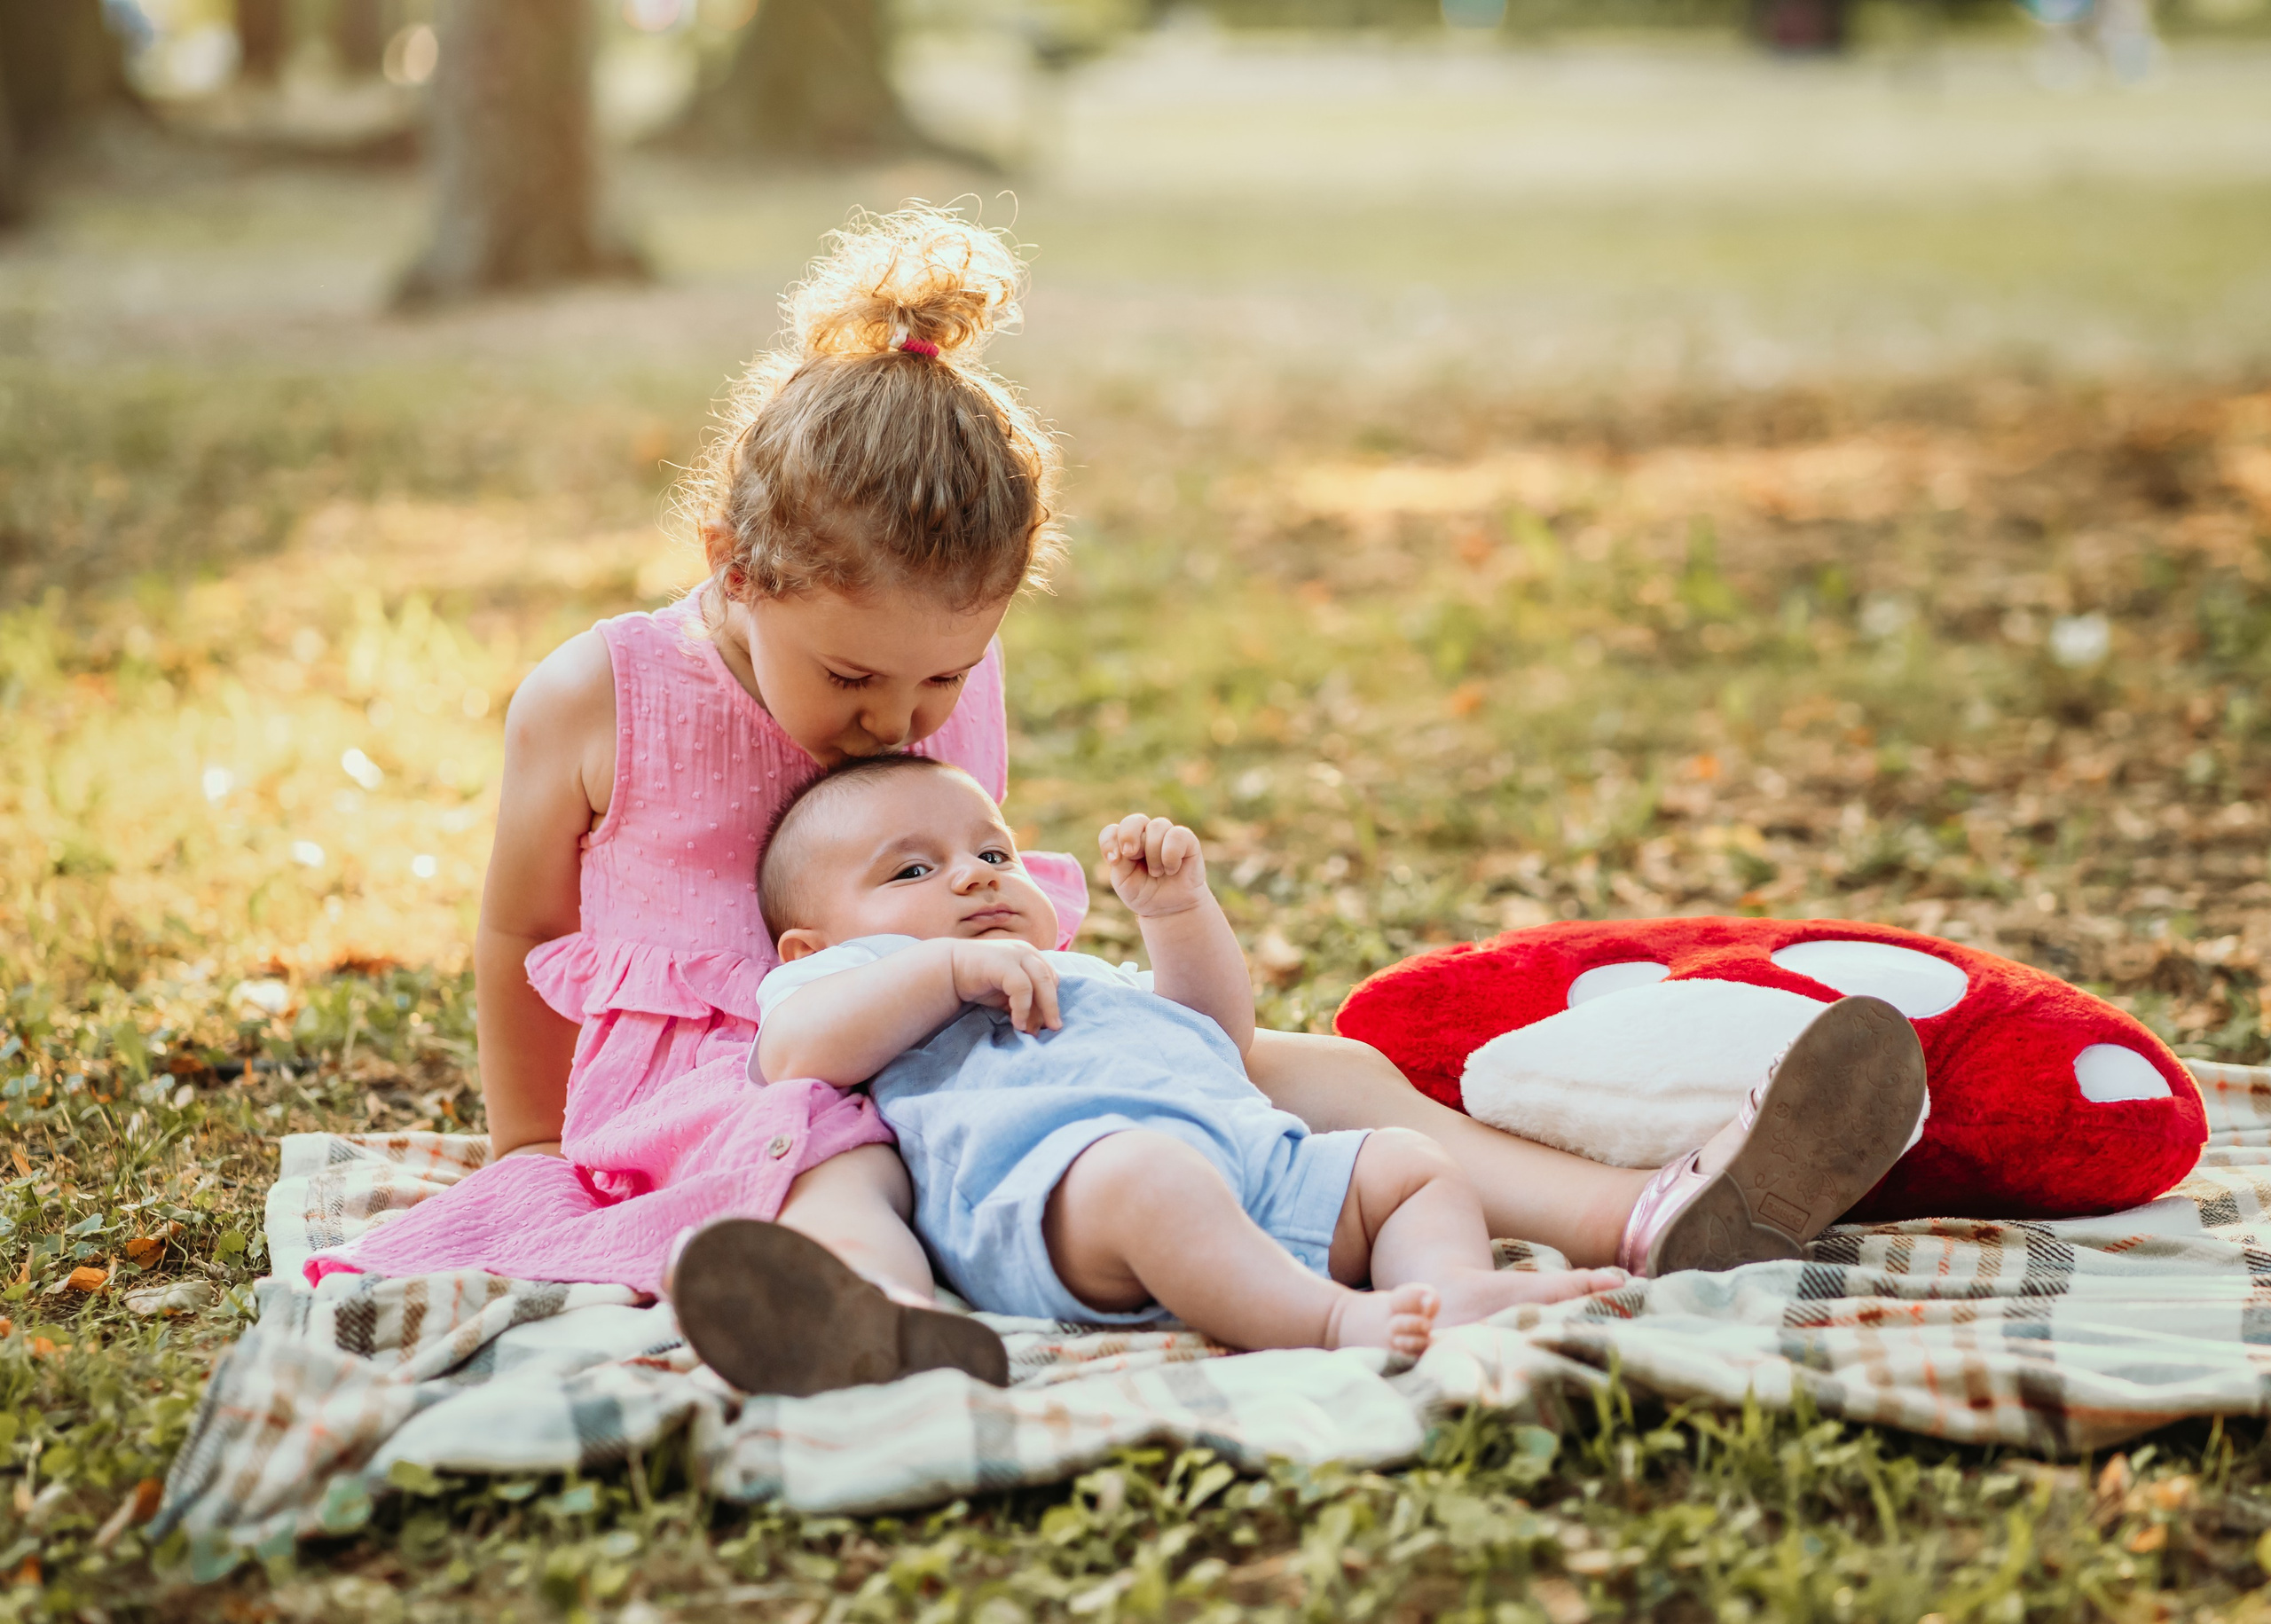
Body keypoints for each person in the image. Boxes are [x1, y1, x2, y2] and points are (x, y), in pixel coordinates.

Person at [310, 202, 1927, 1399]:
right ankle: (874, 1319)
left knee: (1306, 1066)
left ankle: (1650, 1216)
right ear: (736, 569)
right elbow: (525, 918)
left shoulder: (937, 677)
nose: (902, 719)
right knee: (828, 1153)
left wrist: (1093, 966)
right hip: (732, 1086)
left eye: (943, 683)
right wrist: (534, 1141)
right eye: (857, 685)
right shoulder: (601, 695)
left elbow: (963, 871)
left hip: (960, 1048)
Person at [670, 756, 1927, 1386]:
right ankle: (1341, 1323)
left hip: (1257, 1172)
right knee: (1153, 1176)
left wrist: (1174, 919)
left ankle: (1450, 1295)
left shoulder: (1080, 973)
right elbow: (799, 1055)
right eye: (913, 871)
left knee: (1407, 1163)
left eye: (990, 849)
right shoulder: (832, 990)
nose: (976, 878)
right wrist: (938, 977)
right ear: (812, 942)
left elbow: (1212, 1038)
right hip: (1065, 1203)